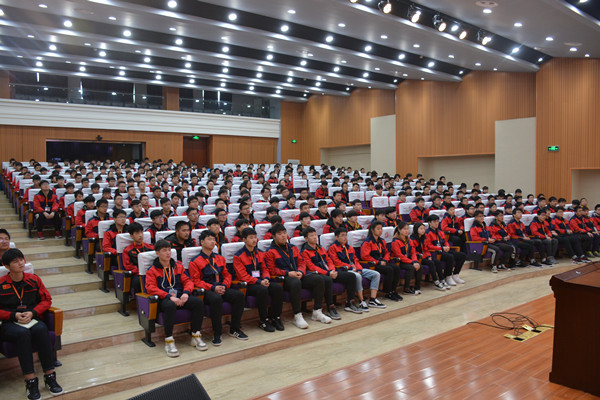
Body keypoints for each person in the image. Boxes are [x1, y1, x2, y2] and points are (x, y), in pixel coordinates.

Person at [0, 249, 63, 399]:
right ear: (7, 266)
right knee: (22, 334)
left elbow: (46, 300)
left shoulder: (34, 279)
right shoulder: (1, 283)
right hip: (9, 322)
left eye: (21, 259)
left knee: (41, 329)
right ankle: (30, 381)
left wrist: (33, 313)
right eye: (15, 261)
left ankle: (50, 376)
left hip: (31, 318)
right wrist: (13, 315)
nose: (20, 263)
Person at [145, 240, 207, 356]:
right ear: (157, 253)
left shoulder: (178, 266)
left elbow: (188, 281)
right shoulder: (152, 270)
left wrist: (186, 293)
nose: (168, 253)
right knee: (170, 305)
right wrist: (169, 296)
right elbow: (151, 288)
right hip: (164, 299)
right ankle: (169, 341)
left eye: (169, 250)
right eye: (164, 250)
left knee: (198, 302)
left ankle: (196, 335)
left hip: (180, 296)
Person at [189, 230, 247, 345]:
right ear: (202, 242)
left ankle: (235, 329)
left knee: (239, 295)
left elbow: (227, 275)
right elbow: (196, 281)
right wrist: (212, 288)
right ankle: (217, 333)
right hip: (208, 290)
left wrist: (224, 285)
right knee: (216, 299)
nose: (212, 242)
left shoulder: (220, 258)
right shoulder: (195, 261)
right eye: (209, 239)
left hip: (221, 286)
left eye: (214, 239)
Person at [265, 224, 328, 328]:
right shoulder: (270, 251)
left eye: (284, 233)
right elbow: (272, 270)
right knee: (295, 282)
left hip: (298, 274)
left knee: (318, 279)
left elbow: (301, 262)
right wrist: (288, 273)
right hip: (284, 278)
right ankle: (297, 315)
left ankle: (317, 311)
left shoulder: (293, 247)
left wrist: (301, 272)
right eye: (279, 234)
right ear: (274, 236)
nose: (283, 236)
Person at [233, 228, 285, 332]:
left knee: (277, 288)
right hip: (249, 284)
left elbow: (265, 269)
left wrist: (266, 278)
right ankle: (263, 320)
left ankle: (276, 317)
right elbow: (243, 276)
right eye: (251, 238)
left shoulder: (260, 253)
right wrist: (259, 282)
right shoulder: (238, 256)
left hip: (261, 281)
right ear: (244, 240)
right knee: (262, 290)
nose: (254, 240)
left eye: (255, 237)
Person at [301, 226, 360, 317]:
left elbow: (329, 260)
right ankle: (330, 308)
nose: (315, 237)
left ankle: (350, 303)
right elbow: (311, 267)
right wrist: (327, 273)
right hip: (318, 274)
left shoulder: (321, 248)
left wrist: (332, 270)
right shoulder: (304, 251)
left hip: (329, 272)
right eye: (311, 235)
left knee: (351, 276)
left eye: (315, 235)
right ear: (306, 238)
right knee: (328, 280)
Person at [328, 228, 384, 310]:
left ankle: (372, 299)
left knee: (376, 274)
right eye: (342, 235)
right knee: (357, 276)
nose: (345, 237)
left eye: (346, 235)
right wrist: (350, 267)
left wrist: (359, 269)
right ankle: (361, 301)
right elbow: (336, 261)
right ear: (336, 237)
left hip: (355, 268)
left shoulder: (350, 247)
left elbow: (356, 260)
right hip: (344, 270)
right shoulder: (333, 247)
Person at [360, 221, 403, 301]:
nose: (380, 231)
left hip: (382, 262)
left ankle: (393, 290)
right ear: (372, 230)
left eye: (381, 229)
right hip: (373, 265)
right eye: (378, 229)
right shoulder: (367, 242)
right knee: (389, 270)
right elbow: (365, 256)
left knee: (396, 268)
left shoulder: (382, 241)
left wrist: (385, 260)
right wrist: (378, 262)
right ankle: (387, 292)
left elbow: (387, 252)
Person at [426, 214, 467, 286]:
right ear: (429, 223)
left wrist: (447, 246)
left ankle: (455, 274)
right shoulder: (427, 233)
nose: (436, 223)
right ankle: (448, 276)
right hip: (435, 252)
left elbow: (445, 241)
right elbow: (429, 246)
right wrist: (441, 248)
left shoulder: (440, 232)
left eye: (437, 221)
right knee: (450, 256)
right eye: (434, 221)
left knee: (462, 255)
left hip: (443, 250)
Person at [410, 222, 446, 290]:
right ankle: (436, 281)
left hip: (424, 256)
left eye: (424, 229)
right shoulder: (412, 239)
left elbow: (426, 249)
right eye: (421, 229)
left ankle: (442, 279)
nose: (423, 230)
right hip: (418, 257)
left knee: (437, 262)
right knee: (431, 263)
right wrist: (425, 257)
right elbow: (414, 252)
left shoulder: (424, 238)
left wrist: (428, 256)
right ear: (416, 229)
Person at [122, 222, 154, 294]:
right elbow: (128, 266)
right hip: (137, 274)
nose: (140, 235)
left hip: (151, 272)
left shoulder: (150, 247)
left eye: (141, 232)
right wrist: (140, 271)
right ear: (131, 236)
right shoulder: (127, 250)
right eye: (137, 233)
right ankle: (139, 299)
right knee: (138, 281)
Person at [390, 222, 421, 294]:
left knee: (419, 266)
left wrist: (415, 261)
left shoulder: (409, 240)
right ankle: (406, 288)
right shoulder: (395, 241)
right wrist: (412, 262)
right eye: (404, 229)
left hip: (408, 260)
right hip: (398, 262)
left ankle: (417, 287)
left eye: (407, 229)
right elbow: (399, 255)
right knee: (411, 267)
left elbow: (413, 253)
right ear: (399, 230)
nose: (406, 231)